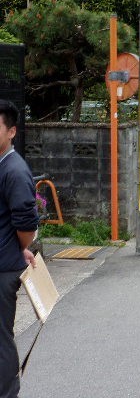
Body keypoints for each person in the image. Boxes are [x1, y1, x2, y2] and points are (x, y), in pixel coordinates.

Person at [0, 100, 39, 398]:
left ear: (11, 131)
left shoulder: (14, 170)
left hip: (2, 270)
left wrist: (19, 247)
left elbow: (26, 224)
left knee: (0, 339)